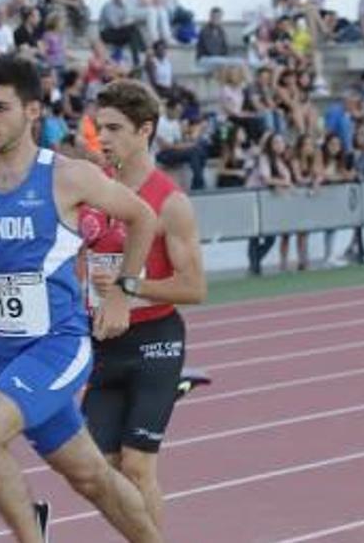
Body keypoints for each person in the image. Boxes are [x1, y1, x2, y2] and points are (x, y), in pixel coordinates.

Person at [0, 54, 162, 543]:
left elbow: (142, 217)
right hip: (6, 352)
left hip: (58, 345)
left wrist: (124, 292)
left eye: (0, 108)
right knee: (91, 477)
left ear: (32, 111)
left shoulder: (67, 176)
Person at [78, 79, 208, 529]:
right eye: (100, 127)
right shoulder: (92, 192)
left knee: (137, 467)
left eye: (114, 128)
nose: (105, 137)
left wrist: (129, 286)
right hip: (102, 343)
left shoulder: (170, 203)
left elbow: (194, 288)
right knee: (102, 470)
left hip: (154, 340)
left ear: (145, 130)